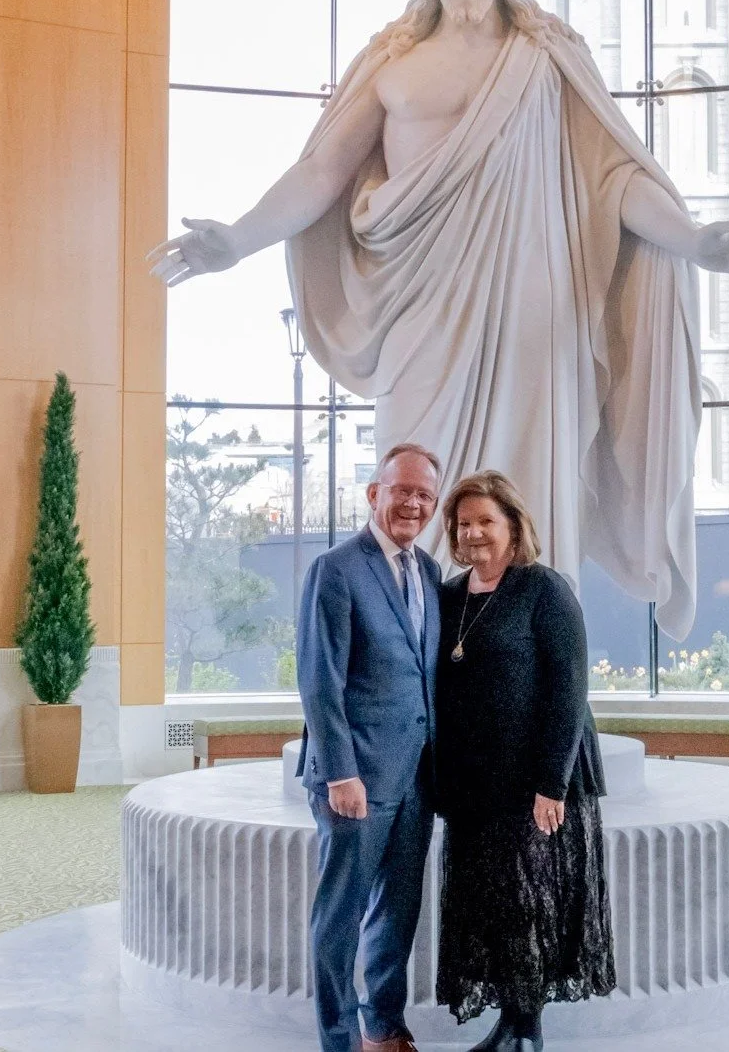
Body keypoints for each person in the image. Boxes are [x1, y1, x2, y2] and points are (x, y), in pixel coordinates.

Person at [148, 0, 729, 642]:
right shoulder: (392, 62)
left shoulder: (545, 58)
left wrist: (697, 240)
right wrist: (239, 237)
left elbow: (615, 180)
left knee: (527, 503)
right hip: (421, 312)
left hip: (532, 318)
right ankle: (413, 663)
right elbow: (321, 170)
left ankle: (535, 675)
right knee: (417, 486)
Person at [433, 470, 614, 1052]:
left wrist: (551, 784)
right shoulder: (450, 595)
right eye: (464, 524)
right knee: (489, 902)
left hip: (534, 781)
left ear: (514, 525)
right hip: (475, 783)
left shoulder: (545, 589)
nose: (474, 533)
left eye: (486, 520)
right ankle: (509, 1023)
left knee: (528, 903)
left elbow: (570, 690)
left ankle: (527, 1031)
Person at [295, 442, 443, 1052]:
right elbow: (318, 678)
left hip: (416, 780)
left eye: (425, 496)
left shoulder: (430, 572)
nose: (412, 503)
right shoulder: (337, 567)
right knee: (340, 917)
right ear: (374, 493)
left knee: (396, 914)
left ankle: (384, 1025)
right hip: (354, 777)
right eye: (402, 489)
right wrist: (339, 774)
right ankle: (338, 1036)